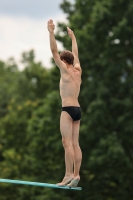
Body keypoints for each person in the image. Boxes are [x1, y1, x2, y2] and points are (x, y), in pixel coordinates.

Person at [47, 19, 82, 187]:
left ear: (63, 61)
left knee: (66, 142)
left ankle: (68, 174)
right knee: (75, 143)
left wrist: (51, 32)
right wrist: (73, 38)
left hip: (67, 109)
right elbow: (76, 53)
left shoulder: (65, 70)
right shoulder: (77, 69)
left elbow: (54, 51)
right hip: (78, 109)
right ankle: (76, 175)